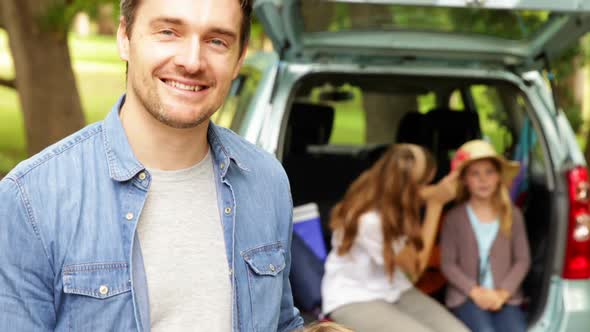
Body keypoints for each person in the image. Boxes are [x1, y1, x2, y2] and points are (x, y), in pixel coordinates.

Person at [0, 0, 303, 331]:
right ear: (124, 37)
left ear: (239, 56)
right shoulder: (30, 200)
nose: (191, 61)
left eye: (216, 40)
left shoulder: (267, 181)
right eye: (169, 32)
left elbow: (281, 322)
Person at [321, 144, 469, 332]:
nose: (427, 188)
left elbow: (423, 194)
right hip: (353, 297)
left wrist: (442, 188)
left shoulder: (387, 194)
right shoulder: (369, 220)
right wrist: (435, 205)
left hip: (395, 288)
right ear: (409, 187)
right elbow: (415, 269)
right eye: (424, 183)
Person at [440, 139, 531, 332]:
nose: (483, 180)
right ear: (464, 180)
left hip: (504, 297)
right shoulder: (454, 218)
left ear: (498, 176)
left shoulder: (512, 214)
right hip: (466, 296)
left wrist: (502, 294)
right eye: (475, 174)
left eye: (489, 172)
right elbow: (448, 264)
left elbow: (522, 260)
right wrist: (476, 292)